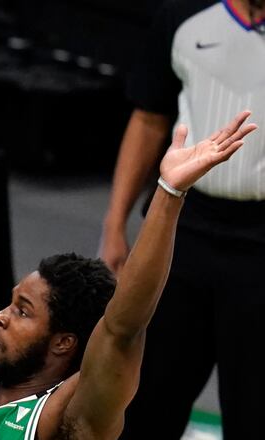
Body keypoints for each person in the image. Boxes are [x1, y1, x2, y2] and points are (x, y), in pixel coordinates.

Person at [0, 6, 256, 439]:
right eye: (12, 303)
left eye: (23, 312)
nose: (0, 317)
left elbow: (122, 328)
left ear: (63, 342)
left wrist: (169, 193)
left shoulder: (69, 419)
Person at [98, 0, 265, 437]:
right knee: (148, 401)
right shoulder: (182, 13)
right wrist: (114, 225)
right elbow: (148, 119)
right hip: (182, 230)